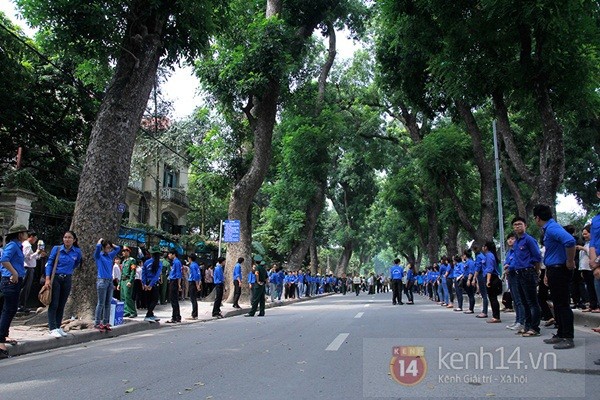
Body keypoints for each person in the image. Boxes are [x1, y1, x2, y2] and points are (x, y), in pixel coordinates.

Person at [534, 204, 577, 349]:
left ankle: (568, 336)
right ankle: (560, 333)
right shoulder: (549, 229)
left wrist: (570, 261)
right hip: (553, 269)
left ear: (537, 218)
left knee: (563, 304)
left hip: (560, 269)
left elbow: (570, 241)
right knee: (558, 304)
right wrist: (547, 273)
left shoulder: (552, 228)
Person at [44, 230, 82, 338]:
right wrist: (47, 279)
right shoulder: (57, 249)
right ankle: (52, 328)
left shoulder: (77, 251)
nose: (67, 239)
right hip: (55, 278)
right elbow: (50, 263)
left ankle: (58, 326)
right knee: (54, 303)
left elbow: (76, 263)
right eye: (65, 237)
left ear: (74, 240)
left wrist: (68, 271)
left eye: (70, 237)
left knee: (62, 304)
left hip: (67, 278)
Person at [0, 224, 29, 358]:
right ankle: (0, 339)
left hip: (15, 280)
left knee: (10, 309)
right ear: (19, 234)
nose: (27, 235)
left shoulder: (18, 246)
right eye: (25, 233)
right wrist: (14, 273)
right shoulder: (12, 245)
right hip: (10, 281)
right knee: (8, 309)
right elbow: (4, 260)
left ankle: (4, 335)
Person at [511, 217, 543, 337]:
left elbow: (537, 257)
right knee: (524, 301)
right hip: (518, 273)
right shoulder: (516, 242)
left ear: (525, 226)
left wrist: (536, 272)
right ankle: (527, 325)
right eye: (515, 225)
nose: (517, 226)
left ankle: (535, 327)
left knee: (532, 302)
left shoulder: (529, 240)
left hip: (528, 272)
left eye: (520, 224)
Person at [94, 238, 121, 331]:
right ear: (103, 248)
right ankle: (97, 322)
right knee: (101, 303)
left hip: (109, 281)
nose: (108, 249)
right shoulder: (99, 256)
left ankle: (105, 322)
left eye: (109, 248)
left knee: (108, 303)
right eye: (106, 247)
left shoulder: (110, 256)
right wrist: (100, 242)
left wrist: (111, 243)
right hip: (102, 280)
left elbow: (118, 248)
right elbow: (97, 249)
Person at [18, 230, 44, 312]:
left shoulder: (28, 245)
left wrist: (38, 254)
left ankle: (22, 304)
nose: (35, 240)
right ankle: (20, 305)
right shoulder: (27, 245)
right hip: (27, 268)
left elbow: (33, 257)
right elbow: (27, 257)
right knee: (25, 287)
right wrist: (37, 252)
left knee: (27, 287)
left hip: (30, 267)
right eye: (35, 238)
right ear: (31, 237)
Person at [577, 225, 598, 312]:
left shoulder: (594, 244)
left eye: (586, 234)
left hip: (592, 269)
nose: (584, 236)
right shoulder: (586, 243)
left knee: (594, 287)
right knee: (589, 288)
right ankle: (592, 305)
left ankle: (596, 305)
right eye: (583, 234)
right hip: (585, 268)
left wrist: (583, 249)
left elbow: (593, 255)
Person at [482, 241, 502, 323]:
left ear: (486, 247)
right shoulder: (490, 255)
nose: (482, 248)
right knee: (492, 297)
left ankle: (496, 316)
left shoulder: (489, 255)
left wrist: (488, 280)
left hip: (492, 278)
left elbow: (490, 269)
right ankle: (495, 316)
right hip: (492, 277)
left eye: (484, 246)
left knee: (493, 298)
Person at [142, 246, 162, 322]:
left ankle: (151, 314)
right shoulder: (159, 263)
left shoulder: (146, 262)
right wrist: (151, 285)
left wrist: (144, 284)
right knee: (155, 300)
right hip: (154, 283)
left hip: (147, 282)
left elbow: (143, 274)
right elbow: (157, 275)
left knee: (149, 300)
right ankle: (148, 315)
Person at [119, 247, 137, 318]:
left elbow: (133, 271)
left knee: (128, 296)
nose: (123, 252)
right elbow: (122, 273)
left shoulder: (132, 260)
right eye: (123, 251)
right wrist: (119, 283)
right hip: (123, 280)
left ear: (128, 252)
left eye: (125, 251)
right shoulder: (124, 261)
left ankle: (133, 311)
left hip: (127, 280)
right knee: (123, 297)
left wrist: (130, 281)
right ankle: (126, 311)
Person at [166, 250, 182, 323]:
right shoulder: (174, 262)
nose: (168, 255)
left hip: (174, 281)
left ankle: (175, 317)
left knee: (174, 299)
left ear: (174, 254)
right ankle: (177, 316)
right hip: (172, 281)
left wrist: (179, 284)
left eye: (169, 254)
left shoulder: (177, 262)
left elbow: (178, 274)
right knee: (173, 299)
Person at [187, 254, 201, 320]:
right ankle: (194, 314)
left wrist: (197, 284)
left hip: (193, 282)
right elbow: (198, 275)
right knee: (194, 299)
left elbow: (195, 276)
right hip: (195, 282)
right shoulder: (196, 265)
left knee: (193, 299)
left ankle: (194, 315)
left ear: (190, 258)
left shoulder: (192, 265)